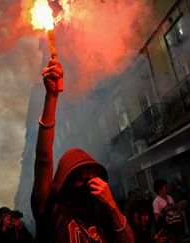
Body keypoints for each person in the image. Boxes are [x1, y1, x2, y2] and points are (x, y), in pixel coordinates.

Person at [31, 58, 135, 242]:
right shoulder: (51, 209)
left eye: (92, 177)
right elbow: (43, 159)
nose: (88, 184)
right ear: (65, 180)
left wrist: (112, 206)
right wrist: (52, 97)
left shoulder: (100, 210)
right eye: (81, 178)